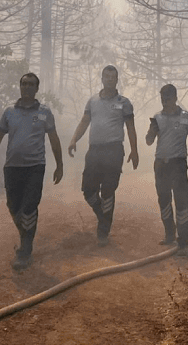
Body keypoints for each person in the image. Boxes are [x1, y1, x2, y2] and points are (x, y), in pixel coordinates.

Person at [0, 72, 63, 271]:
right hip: (12, 167)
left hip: (35, 166)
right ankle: (26, 237)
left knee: (28, 207)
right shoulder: (9, 111)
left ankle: (25, 251)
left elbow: (53, 138)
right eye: (24, 84)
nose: (26, 87)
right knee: (13, 206)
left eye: (31, 84)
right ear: (20, 87)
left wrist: (60, 165)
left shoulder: (44, 112)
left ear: (37, 89)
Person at [67, 65, 138, 246]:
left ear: (117, 80)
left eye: (112, 77)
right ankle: (103, 217)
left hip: (114, 150)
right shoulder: (92, 101)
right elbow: (84, 121)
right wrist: (74, 139)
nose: (109, 79)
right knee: (88, 190)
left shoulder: (124, 102)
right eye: (106, 76)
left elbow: (130, 127)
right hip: (94, 150)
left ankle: (103, 232)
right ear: (101, 78)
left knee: (107, 191)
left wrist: (134, 150)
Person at [145, 83, 188, 248]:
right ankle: (170, 234)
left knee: (182, 201)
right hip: (160, 164)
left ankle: (183, 240)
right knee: (164, 200)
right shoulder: (157, 117)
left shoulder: (185, 116)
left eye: (168, 99)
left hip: (178, 163)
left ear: (175, 98)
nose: (165, 102)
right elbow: (149, 142)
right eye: (163, 99)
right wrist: (151, 131)